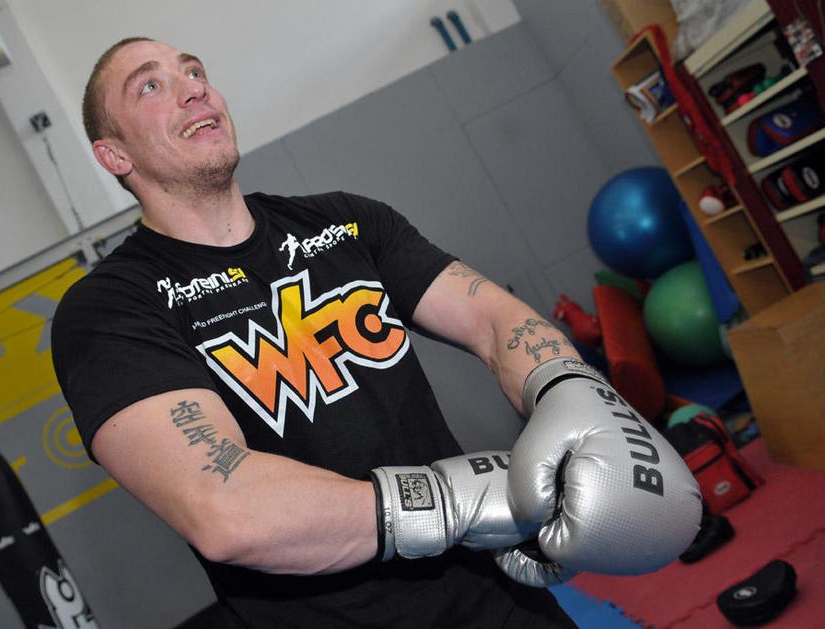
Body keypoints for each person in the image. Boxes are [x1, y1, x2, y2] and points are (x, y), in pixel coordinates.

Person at [51, 37, 701, 628]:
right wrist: (451, 502)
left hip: (498, 600)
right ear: (114, 154)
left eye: (194, 70)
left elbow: (489, 316)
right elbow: (224, 508)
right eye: (151, 85)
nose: (193, 87)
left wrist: (566, 385)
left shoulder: (346, 223)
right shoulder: (110, 309)